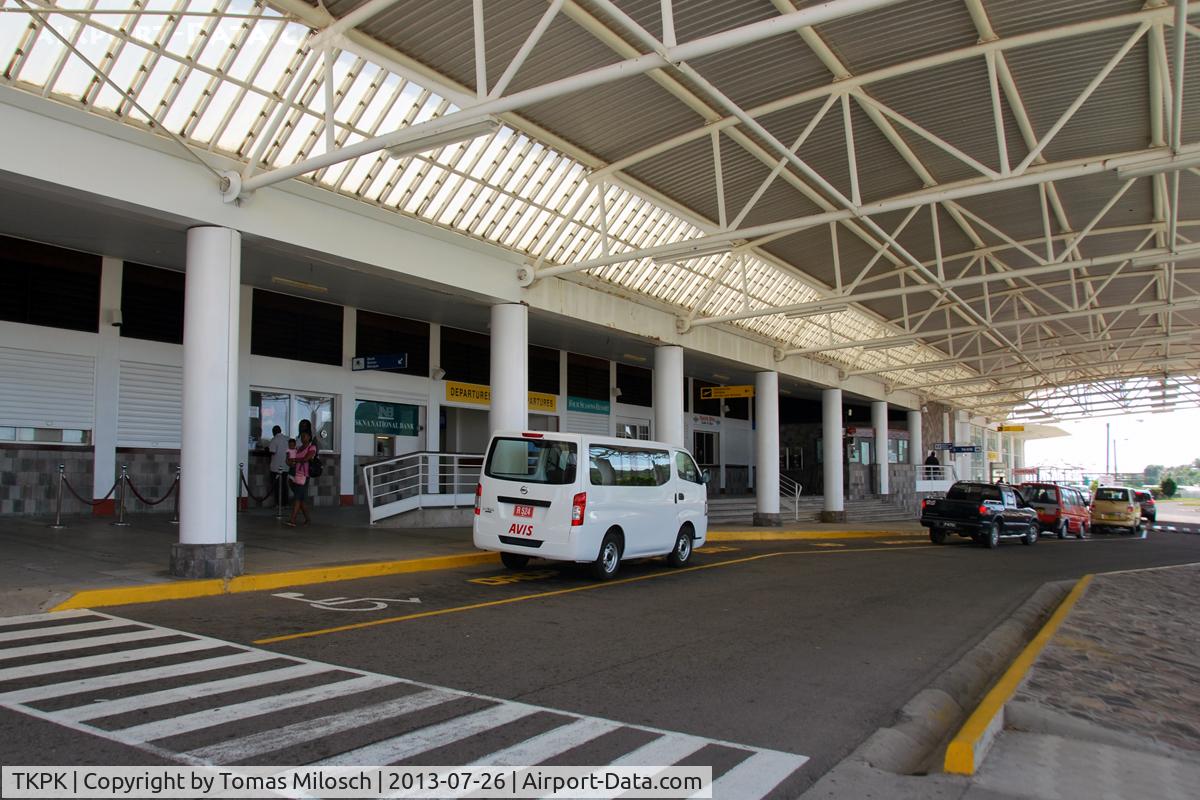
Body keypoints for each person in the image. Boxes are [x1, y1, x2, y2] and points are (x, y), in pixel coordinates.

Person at [286, 430, 317, 527]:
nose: (303, 438)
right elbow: (290, 460)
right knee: (301, 499)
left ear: (309, 437)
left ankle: (292, 519)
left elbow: (307, 458)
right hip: (296, 474)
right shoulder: (298, 448)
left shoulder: (312, 447)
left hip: (304, 475)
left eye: (305, 436)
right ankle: (308, 519)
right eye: (302, 436)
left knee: (298, 497)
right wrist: (289, 460)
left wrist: (295, 460)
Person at [267, 425, 289, 506]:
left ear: (273, 432)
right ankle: (285, 503)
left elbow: (272, 451)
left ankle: (278, 504)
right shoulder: (287, 439)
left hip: (276, 467)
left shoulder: (274, 440)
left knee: (277, 486)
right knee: (284, 486)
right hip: (286, 466)